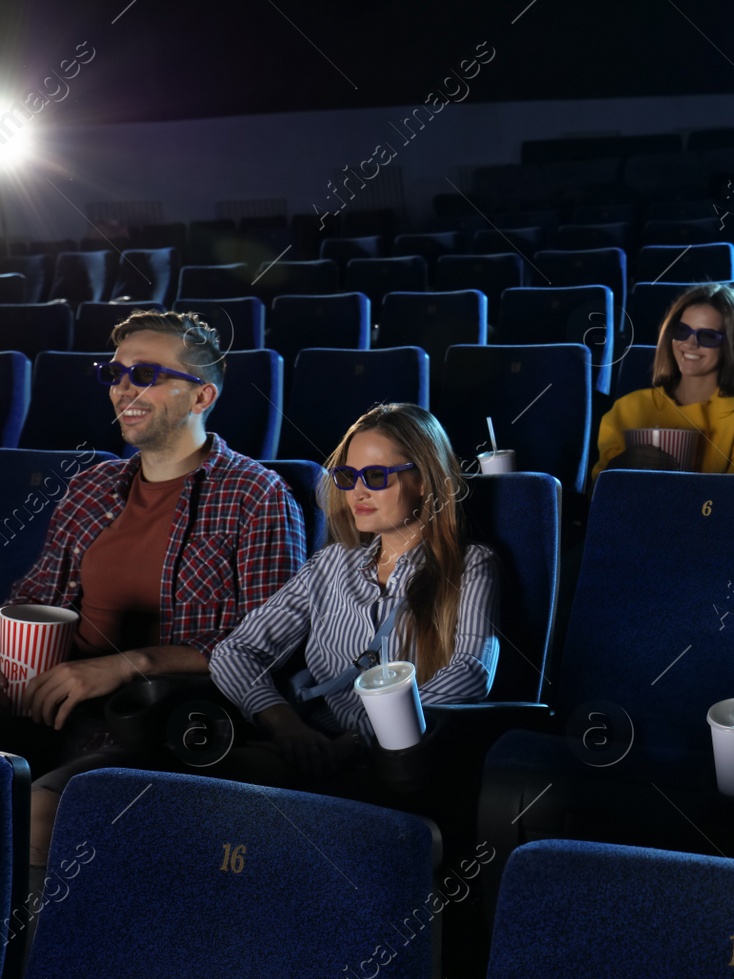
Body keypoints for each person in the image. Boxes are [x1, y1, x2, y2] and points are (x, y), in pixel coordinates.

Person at [3, 310, 306, 856]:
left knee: (38, 820)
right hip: (50, 703)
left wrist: (130, 663)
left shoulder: (258, 496)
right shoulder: (90, 487)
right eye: (115, 374)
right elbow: (32, 600)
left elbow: (266, 651)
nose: (123, 388)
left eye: (146, 375)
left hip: (165, 723)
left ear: (201, 397)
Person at [210, 403, 499, 779]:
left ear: (425, 480)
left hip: (402, 761)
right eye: (347, 476)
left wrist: (365, 736)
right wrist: (285, 725)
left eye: (376, 476)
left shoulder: (471, 564)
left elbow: (472, 671)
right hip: (308, 744)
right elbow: (235, 650)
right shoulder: (330, 564)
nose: (357, 492)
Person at [591, 283, 734, 478]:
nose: (689, 344)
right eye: (682, 331)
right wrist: (618, 466)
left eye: (708, 336)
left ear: (733, 345)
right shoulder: (627, 409)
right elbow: (596, 498)